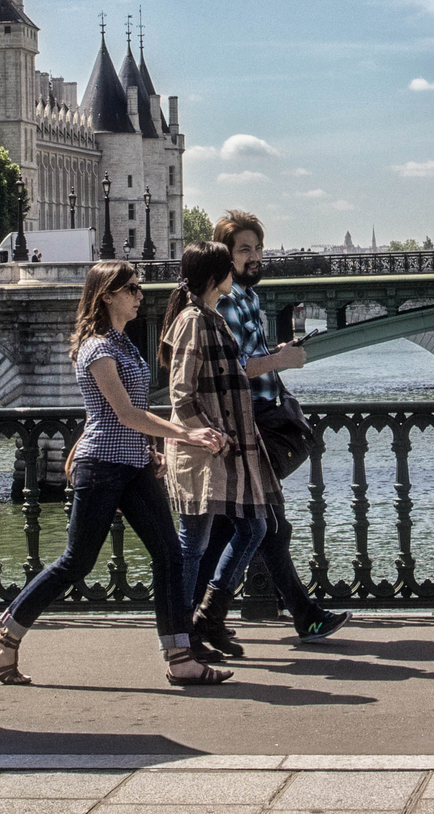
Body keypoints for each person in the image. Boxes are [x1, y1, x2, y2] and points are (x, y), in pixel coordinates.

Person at [0, 261, 232, 689]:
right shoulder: (97, 348)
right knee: (76, 562)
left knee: (170, 555)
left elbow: (135, 415)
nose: (140, 295)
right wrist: (186, 434)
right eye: (132, 288)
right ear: (107, 295)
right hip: (101, 466)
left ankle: (179, 658)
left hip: (132, 464)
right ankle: (6, 637)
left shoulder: (124, 344)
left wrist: (151, 449)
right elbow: (124, 413)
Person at [188, 211, 351, 653]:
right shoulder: (224, 301)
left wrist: (275, 353)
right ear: (226, 254)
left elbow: (249, 357)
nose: (256, 256)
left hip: (253, 421)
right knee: (265, 525)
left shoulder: (247, 298)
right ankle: (209, 619)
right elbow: (231, 369)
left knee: (237, 528)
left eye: (258, 248)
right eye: (245, 249)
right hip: (246, 425)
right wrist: (279, 362)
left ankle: (196, 620)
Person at [160, 241, 295, 663]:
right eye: (229, 270)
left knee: (253, 527)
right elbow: (180, 393)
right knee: (195, 544)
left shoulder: (211, 317)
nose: (235, 275)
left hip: (231, 450)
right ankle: (185, 631)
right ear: (217, 275)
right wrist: (207, 432)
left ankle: (208, 616)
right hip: (205, 453)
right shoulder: (192, 321)